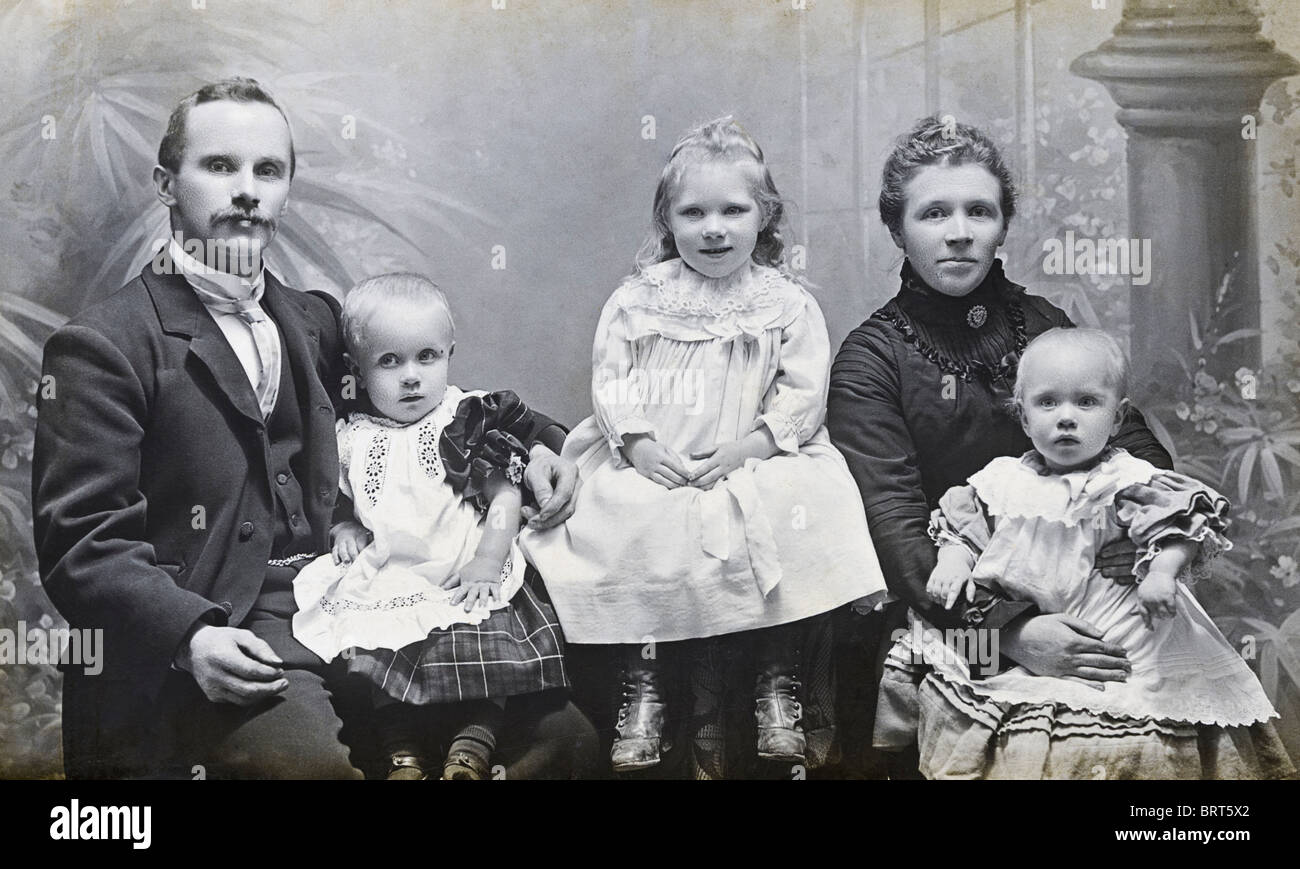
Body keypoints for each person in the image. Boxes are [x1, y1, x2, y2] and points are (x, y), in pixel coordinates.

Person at [31, 77, 581, 778]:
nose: (246, 190)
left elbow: (440, 400)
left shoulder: (317, 320)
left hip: (356, 602)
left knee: (565, 739)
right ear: (166, 182)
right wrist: (189, 635)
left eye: (268, 170)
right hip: (223, 630)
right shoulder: (104, 345)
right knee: (311, 771)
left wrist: (536, 446)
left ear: (287, 188)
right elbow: (82, 539)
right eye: (219, 166)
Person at [520, 117, 887, 774]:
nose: (713, 227)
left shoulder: (785, 303)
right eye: (694, 213)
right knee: (633, 518)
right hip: (659, 456)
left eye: (733, 210)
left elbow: (803, 389)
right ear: (668, 221)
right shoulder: (641, 299)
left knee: (806, 503)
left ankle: (779, 683)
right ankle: (647, 687)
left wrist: (757, 444)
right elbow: (612, 375)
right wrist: (634, 442)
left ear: (763, 215)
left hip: (756, 454)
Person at [826, 115, 1175, 777]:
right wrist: (1010, 634)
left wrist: (1133, 527)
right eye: (934, 212)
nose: (960, 231)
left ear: (1002, 224)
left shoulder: (1045, 325)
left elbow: (1136, 449)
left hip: (1082, 593)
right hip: (937, 613)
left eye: (979, 210)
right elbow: (898, 536)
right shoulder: (872, 359)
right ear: (898, 229)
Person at [875, 327, 1292, 778]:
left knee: (1134, 719)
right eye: (1048, 403)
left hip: (1119, 632)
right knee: (944, 657)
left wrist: (1161, 572)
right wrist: (955, 560)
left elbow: (1184, 527)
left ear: (1117, 418)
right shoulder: (1002, 482)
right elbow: (965, 529)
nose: (1066, 418)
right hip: (1030, 626)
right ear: (1023, 418)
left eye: (1086, 403)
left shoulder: (1128, 480)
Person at [291, 273, 572, 780]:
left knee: (484, 647)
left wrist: (487, 559)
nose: (411, 377)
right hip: (395, 565)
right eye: (389, 362)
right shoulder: (352, 437)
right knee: (377, 647)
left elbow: (505, 494)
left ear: (449, 353)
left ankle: (472, 746)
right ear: (356, 370)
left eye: (427, 357)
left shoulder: (461, 420)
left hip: (464, 559)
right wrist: (344, 528)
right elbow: (340, 499)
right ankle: (403, 752)